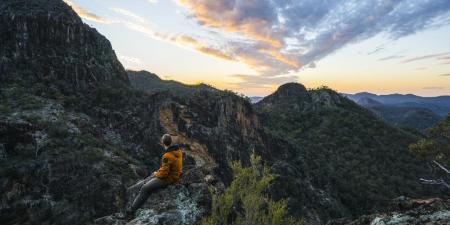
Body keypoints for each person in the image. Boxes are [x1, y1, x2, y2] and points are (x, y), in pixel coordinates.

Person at [125, 134, 183, 217]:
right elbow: (168, 167)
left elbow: (164, 174)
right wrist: (157, 173)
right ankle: (141, 186)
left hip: (169, 178)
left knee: (145, 188)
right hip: (175, 174)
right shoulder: (178, 151)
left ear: (163, 142)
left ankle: (131, 210)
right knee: (152, 176)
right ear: (171, 142)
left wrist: (157, 173)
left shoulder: (167, 156)